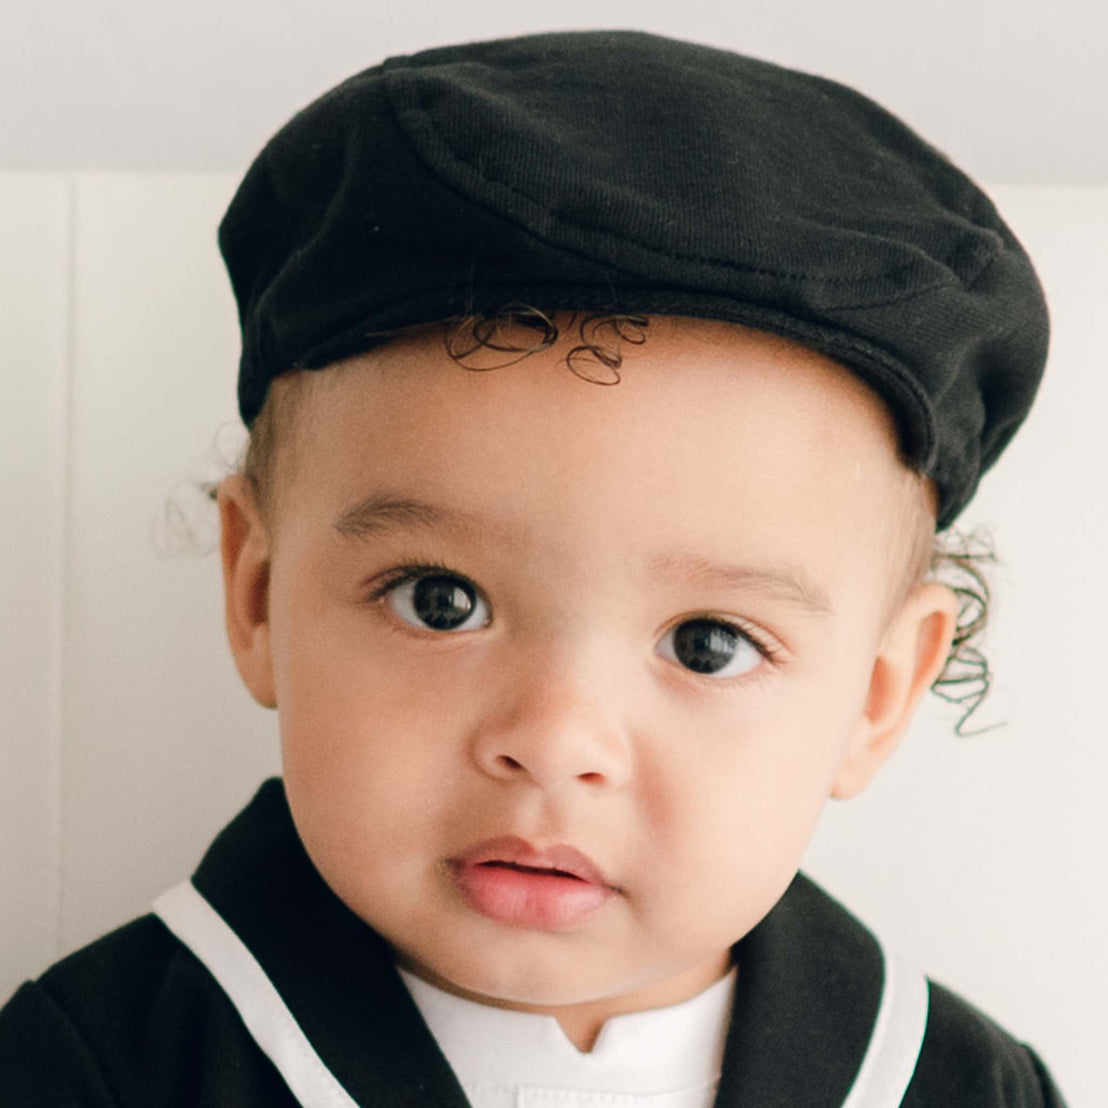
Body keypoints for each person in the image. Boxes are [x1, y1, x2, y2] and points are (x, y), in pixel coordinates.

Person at [0, 28, 1069, 1107]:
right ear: (257, 594)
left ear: (878, 695)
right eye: (440, 600)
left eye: (709, 642)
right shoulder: (98, 1067)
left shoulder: (961, 1083)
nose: (554, 742)